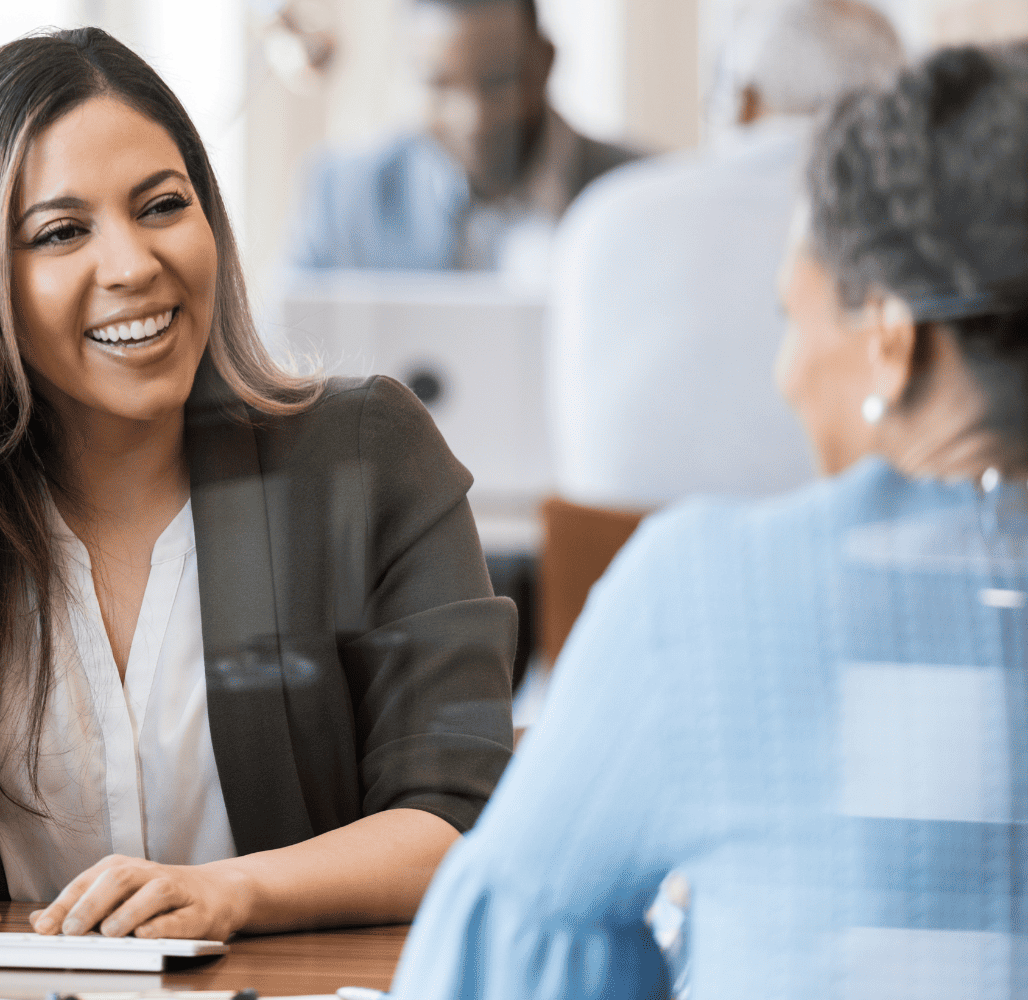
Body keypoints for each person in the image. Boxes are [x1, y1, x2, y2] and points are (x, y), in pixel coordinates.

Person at [0, 28, 517, 941]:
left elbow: (458, 814)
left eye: (162, 206)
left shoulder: (366, 454)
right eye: (61, 232)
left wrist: (228, 894)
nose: (131, 265)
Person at [392, 43, 1028, 998]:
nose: (784, 376)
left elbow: (503, 962)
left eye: (793, 318)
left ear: (891, 342)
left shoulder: (712, 592)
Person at [546, 0, 902, 507]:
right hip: (832, 558)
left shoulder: (601, 215)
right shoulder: (909, 233)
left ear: (745, 100)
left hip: (604, 566)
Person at [291, 0, 640, 275]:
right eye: (438, 85)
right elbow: (286, 352)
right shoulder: (346, 197)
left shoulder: (638, 191)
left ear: (545, 62)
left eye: (499, 80)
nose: (474, 119)